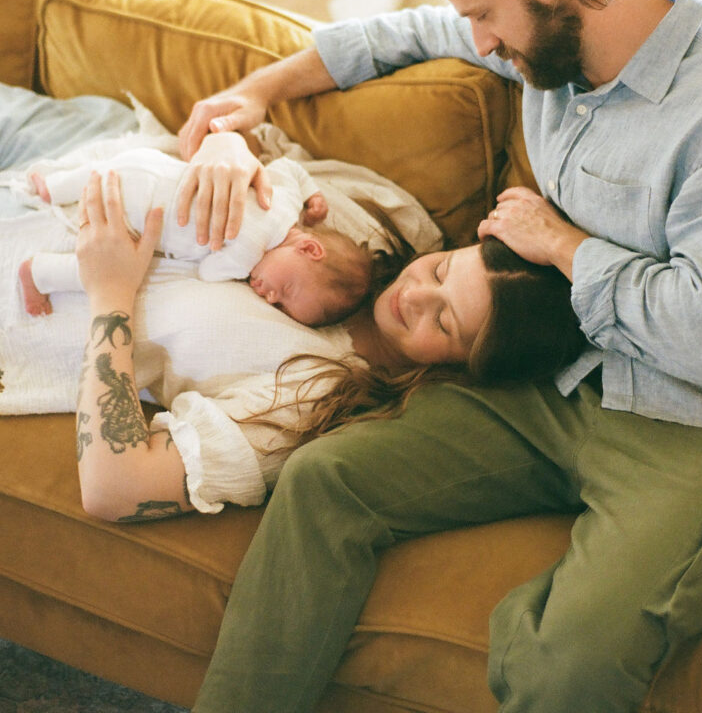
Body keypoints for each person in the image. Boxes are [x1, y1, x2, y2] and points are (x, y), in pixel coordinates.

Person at [177, 0, 702, 713]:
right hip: (557, 377)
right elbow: (406, 34)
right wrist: (260, 92)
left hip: (696, 421)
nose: (479, 41)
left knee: (566, 668)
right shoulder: (554, 40)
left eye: (486, 15)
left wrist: (563, 245)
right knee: (322, 480)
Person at [70, 167, 583, 524]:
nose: (414, 294)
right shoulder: (383, 222)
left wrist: (110, 292)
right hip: (87, 165)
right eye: (441, 269)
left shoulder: (315, 398)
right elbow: (259, 154)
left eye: (444, 320)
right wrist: (228, 150)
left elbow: (115, 488)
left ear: (464, 368)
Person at [17, 146, 374, 327]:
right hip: (136, 212)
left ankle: (50, 186)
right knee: (114, 270)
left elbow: (289, 168)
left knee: (97, 176)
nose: (269, 298)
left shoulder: (284, 200)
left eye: (279, 306)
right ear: (310, 248)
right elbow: (207, 273)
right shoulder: (249, 251)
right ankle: (39, 273)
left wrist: (312, 194)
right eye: (287, 291)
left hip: (149, 165)